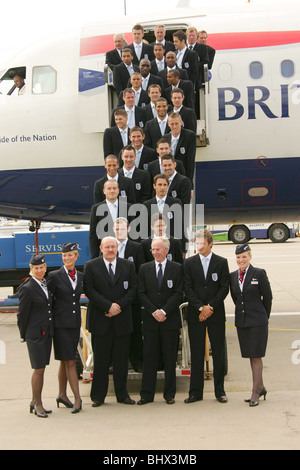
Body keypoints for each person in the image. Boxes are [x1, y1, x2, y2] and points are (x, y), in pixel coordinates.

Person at [84, 236, 137, 406]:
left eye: (113, 247)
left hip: (121, 319)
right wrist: (108, 306)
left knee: (121, 361)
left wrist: (118, 306)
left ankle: (122, 395)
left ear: (117, 248)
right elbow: (90, 291)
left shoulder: (128, 266)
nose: (110, 250)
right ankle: (98, 396)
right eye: (107, 247)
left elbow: (133, 289)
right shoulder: (91, 266)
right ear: (101, 248)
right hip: (101, 320)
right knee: (101, 361)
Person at [184, 229, 229, 404]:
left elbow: (224, 287)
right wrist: (200, 308)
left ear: (211, 244)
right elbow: (188, 289)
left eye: (202, 243)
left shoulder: (221, 262)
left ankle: (220, 391)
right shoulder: (189, 263)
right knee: (196, 353)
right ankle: (195, 392)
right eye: (197, 243)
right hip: (197, 314)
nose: (199, 246)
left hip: (215, 313)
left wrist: (210, 307)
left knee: (218, 352)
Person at [137, 237, 183, 404]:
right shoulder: (144, 268)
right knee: (149, 357)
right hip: (150, 321)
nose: (155, 253)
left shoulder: (177, 268)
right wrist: (154, 311)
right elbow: (141, 293)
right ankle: (146, 395)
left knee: (170, 357)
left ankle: (169, 394)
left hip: (169, 320)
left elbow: (178, 293)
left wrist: (164, 311)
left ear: (166, 250)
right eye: (153, 250)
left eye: (158, 249)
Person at [229, 243, 272, 407]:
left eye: (244, 257)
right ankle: (260, 386)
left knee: (256, 356)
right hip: (242, 322)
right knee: (250, 354)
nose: (241, 260)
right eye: (238, 257)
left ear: (250, 257)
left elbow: (267, 298)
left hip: (258, 322)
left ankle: (255, 392)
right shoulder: (232, 276)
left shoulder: (259, 273)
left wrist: (263, 317)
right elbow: (236, 298)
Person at [47, 243, 83, 414]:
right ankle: (77, 398)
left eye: (70, 255)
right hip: (60, 325)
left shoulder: (81, 276)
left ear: (76, 257)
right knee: (70, 361)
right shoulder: (54, 276)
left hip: (75, 324)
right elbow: (47, 301)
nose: (67, 258)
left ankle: (62, 394)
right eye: (64, 256)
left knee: (64, 360)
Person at [17, 254, 53, 418]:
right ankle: (38, 404)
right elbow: (22, 315)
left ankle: (34, 400)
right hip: (35, 334)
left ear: (45, 268)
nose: (39, 270)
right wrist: (25, 334)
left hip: (45, 332)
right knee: (38, 369)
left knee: (42, 368)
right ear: (31, 270)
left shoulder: (45, 284)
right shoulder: (27, 288)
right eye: (36, 268)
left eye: (41, 268)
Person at [113, 217, 145, 372]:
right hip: (115, 300)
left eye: (123, 229)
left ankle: (137, 361)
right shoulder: (109, 247)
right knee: (116, 332)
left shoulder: (137, 248)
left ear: (129, 230)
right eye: (118, 229)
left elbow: (140, 272)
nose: (120, 232)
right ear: (114, 230)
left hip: (133, 299)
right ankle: (118, 362)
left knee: (135, 331)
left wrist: (132, 294)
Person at [89, 179, 133, 258]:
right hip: (105, 254)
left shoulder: (128, 207)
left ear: (118, 190)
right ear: (104, 191)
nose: (112, 191)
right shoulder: (96, 208)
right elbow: (93, 235)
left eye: (114, 188)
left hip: (124, 253)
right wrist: (94, 257)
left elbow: (132, 232)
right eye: (109, 188)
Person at [163, 112, 196, 183]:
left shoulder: (189, 136)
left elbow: (190, 160)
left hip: (183, 175)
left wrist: (189, 183)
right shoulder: (165, 138)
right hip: (168, 176)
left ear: (181, 123)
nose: (174, 126)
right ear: (168, 124)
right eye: (172, 124)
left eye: (176, 123)